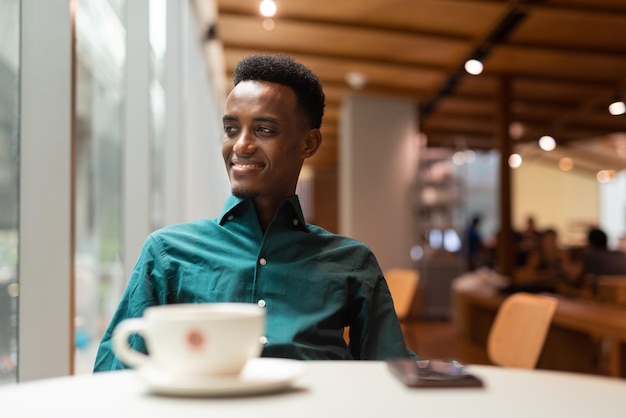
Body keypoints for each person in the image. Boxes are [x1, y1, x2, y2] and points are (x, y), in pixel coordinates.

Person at [93, 54, 414, 371]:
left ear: (309, 143)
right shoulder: (166, 254)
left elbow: (392, 372)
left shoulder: (352, 263)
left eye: (263, 130)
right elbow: (114, 376)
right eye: (231, 129)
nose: (241, 145)